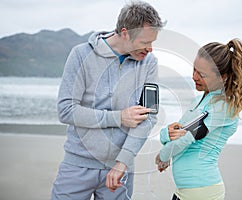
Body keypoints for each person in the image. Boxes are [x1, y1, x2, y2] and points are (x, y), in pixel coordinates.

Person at [51, 1, 164, 199]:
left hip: (121, 170)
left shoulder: (149, 63)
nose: (150, 49)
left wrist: (122, 162)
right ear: (125, 32)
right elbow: (66, 110)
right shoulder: (81, 55)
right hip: (77, 164)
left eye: (152, 42)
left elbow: (149, 117)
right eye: (145, 43)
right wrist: (119, 117)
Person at [155, 39, 242, 200]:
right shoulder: (199, 101)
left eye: (202, 74)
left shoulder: (223, 107)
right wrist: (164, 134)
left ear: (223, 77)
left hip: (202, 191)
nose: (194, 77)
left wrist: (163, 157)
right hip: (185, 191)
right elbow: (176, 132)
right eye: (194, 69)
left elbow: (185, 139)